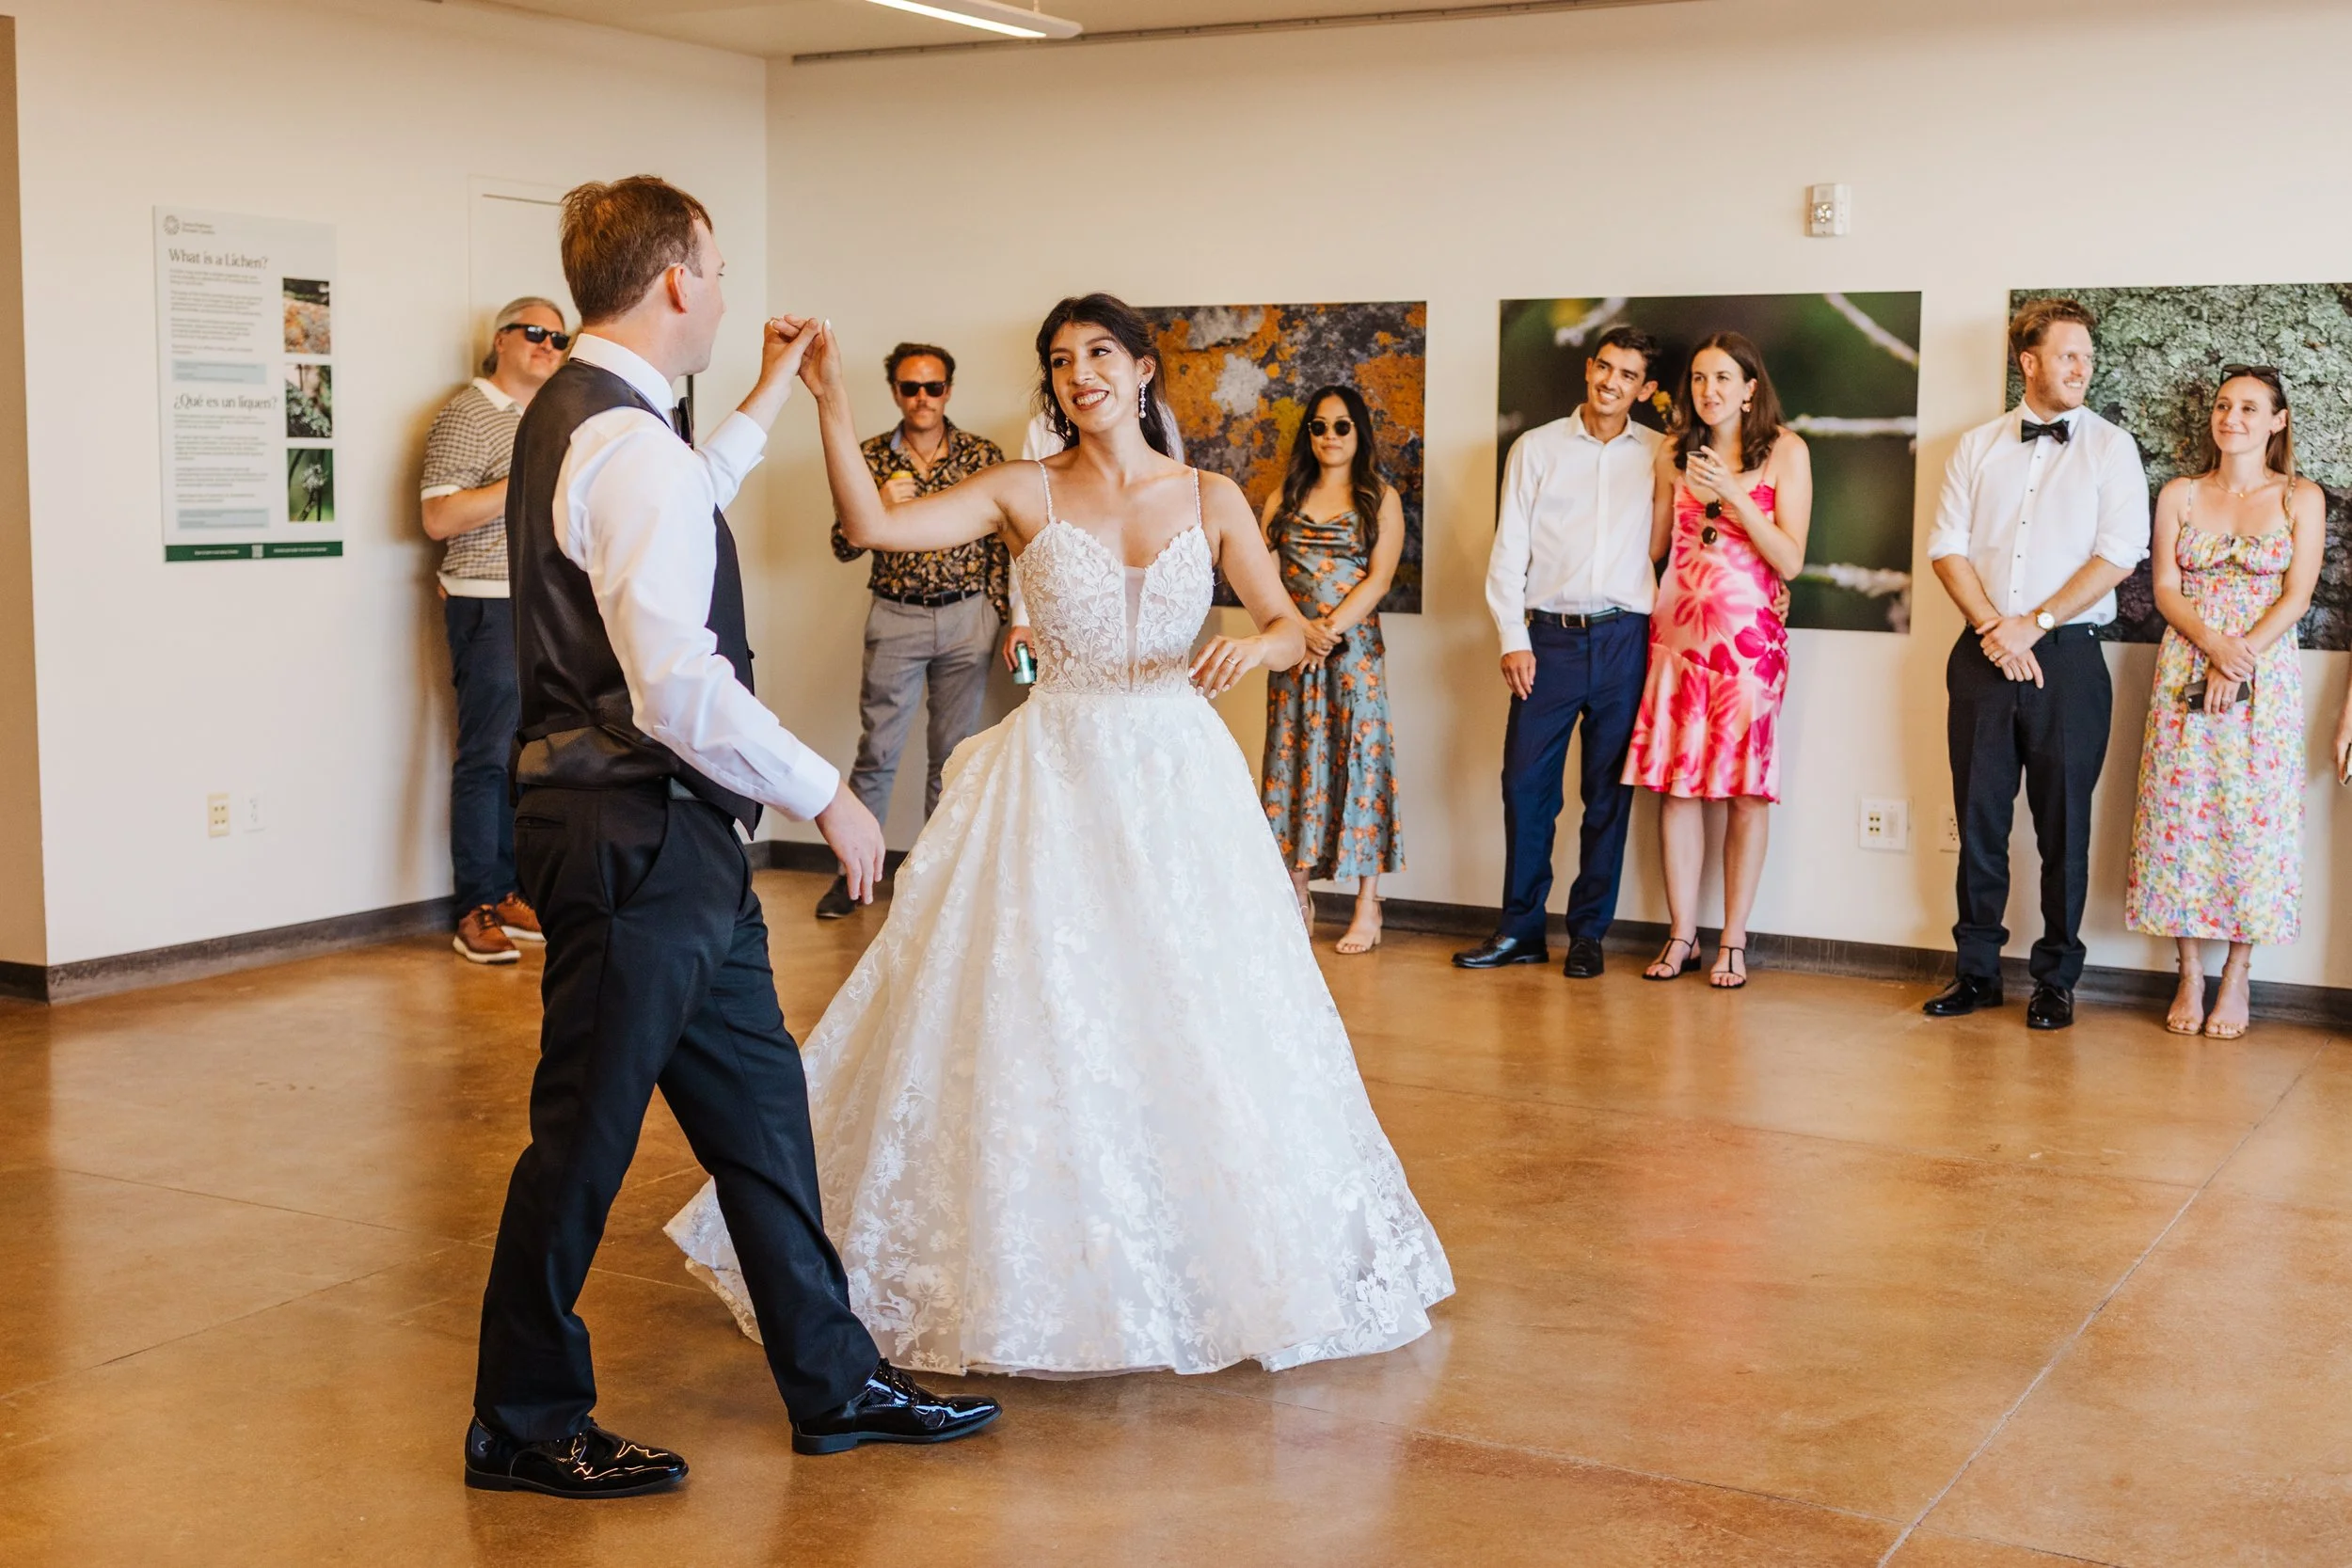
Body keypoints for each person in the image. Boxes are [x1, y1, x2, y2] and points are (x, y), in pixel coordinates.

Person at [668, 293, 1453, 1378]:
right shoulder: (1018, 489)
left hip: (1179, 777)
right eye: (1059, 358)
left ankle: (1206, 1245)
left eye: (1097, 353)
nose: (1077, 372)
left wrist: (1254, 652)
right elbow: (878, 527)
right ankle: (1049, 1253)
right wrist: (831, 401)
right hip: (1058, 774)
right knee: (1050, 1007)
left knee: (1195, 1004)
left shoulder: (1211, 495)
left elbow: (1286, 625)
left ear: (1141, 371)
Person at [468, 177, 997, 1501]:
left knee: (766, 1124)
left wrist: (766, 394)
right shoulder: (623, 437)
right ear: (677, 284)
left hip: (668, 840)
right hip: (635, 833)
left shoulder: (583, 416)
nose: (726, 282)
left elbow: (674, 505)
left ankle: (835, 1382)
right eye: (716, 264)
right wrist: (829, 787)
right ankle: (524, 1420)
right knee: (582, 1137)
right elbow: (677, 685)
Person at [1923, 298, 2151, 1031]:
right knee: (1979, 821)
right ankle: (1977, 972)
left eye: (2087, 356)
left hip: (2070, 659)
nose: (2082, 367)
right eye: (2067, 355)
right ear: (2029, 362)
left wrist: (2036, 623)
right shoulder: (1977, 445)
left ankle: (2057, 978)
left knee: (2063, 828)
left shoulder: (2112, 448)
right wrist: (1996, 627)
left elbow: (2119, 553)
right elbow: (1946, 548)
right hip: (1982, 653)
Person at [1455, 325, 1663, 979]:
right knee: (1526, 787)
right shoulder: (1536, 448)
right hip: (1547, 638)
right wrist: (1512, 637)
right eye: (1606, 367)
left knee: (1607, 794)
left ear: (1644, 388)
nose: (1612, 382)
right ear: (1588, 367)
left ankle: (1588, 934)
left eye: (1628, 375)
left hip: (1627, 637)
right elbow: (1508, 549)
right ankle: (1520, 929)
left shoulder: (1661, 455)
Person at [2126, 367, 2323, 1038]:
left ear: (2278, 420)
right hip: (2188, 657)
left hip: (2264, 670)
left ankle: (2238, 973)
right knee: (2180, 811)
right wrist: (2214, 645)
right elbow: (2164, 585)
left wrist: (2241, 658)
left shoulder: (2301, 497)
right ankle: (2188, 970)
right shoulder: (2180, 493)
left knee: (2253, 818)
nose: (2230, 416)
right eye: (2222, 405)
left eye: (2248, 407)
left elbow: (2297, 595)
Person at [1622, 333, 1811, 990]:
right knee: (1675, 791)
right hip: (1675, 639)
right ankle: (1682, 934)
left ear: (1751, 387)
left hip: (1749, 645)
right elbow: (1653, 548)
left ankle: (1733, 937)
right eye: (1699, 378)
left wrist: (1731, 492)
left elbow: (1790, 560)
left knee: (1744, 794)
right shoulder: (1672, 453)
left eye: (1724, 378)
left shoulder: (1786, 451)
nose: (1709, 390)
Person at [817, 343, 1008, 919]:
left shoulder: (982, 454)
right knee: (876, 751)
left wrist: (998, 612)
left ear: (948, 389)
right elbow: (843, 544)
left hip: (966, 616)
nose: (922, 399)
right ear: (895, 391)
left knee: (951, 756)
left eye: (933, 387)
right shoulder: (870, 455)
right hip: (895, 615)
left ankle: (935, 883)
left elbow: (1004, 540)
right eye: (910, 388)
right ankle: (852, 879)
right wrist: (874, 503)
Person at [419, 296, 566, 964]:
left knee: (521, 758)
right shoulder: (467, 413)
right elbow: (439, 518)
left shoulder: (547, 416)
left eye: (560, 338)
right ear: (500, 340)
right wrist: (523, 481)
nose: (548, 345)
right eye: (535, 332)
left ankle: (509, 891)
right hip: (486, 605)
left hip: (541, 605)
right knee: (484, 760)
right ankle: (474, 906)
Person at [1259, 386, 1406, 954]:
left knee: (1363, 763)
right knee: (1290, 763)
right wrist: (1300, 628)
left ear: (1358, 432)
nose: (1329, 437)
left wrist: (1331, 629)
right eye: (1319, 427)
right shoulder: (1282, 497)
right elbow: (1264, 577)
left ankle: (1369, 904)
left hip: (1355, 653)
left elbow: (1379, 578)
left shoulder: (1379, 498)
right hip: (1292, 651)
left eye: (1341, 427)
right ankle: (1294, 892)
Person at [1002, 393, 1184, 675]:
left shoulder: (1159, 416)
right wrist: (1022, 618)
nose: (1082, 375)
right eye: (1062, 361)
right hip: (1070, 598)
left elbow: (1175, 506)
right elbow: (1024, 528)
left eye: (1099, 352)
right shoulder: (1041, 427)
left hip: (1150, 612)